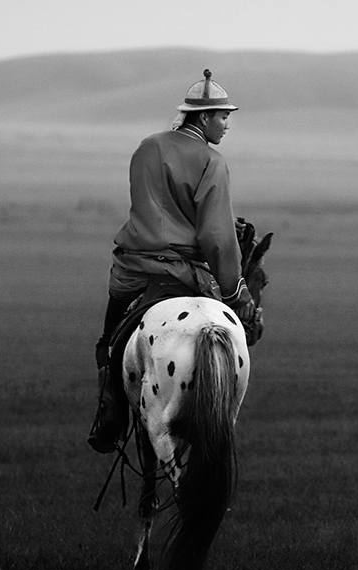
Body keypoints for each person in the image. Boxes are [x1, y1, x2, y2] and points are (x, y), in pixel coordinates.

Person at [87, 69, 256, 454]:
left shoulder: (147, 147)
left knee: (112, 340)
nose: (227, 124)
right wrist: (234, 288)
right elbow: (215, 235)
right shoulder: (212, 162)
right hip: (186, 270)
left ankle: (109, 415)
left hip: (134, 266)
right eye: (223, 116)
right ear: (203, 118)